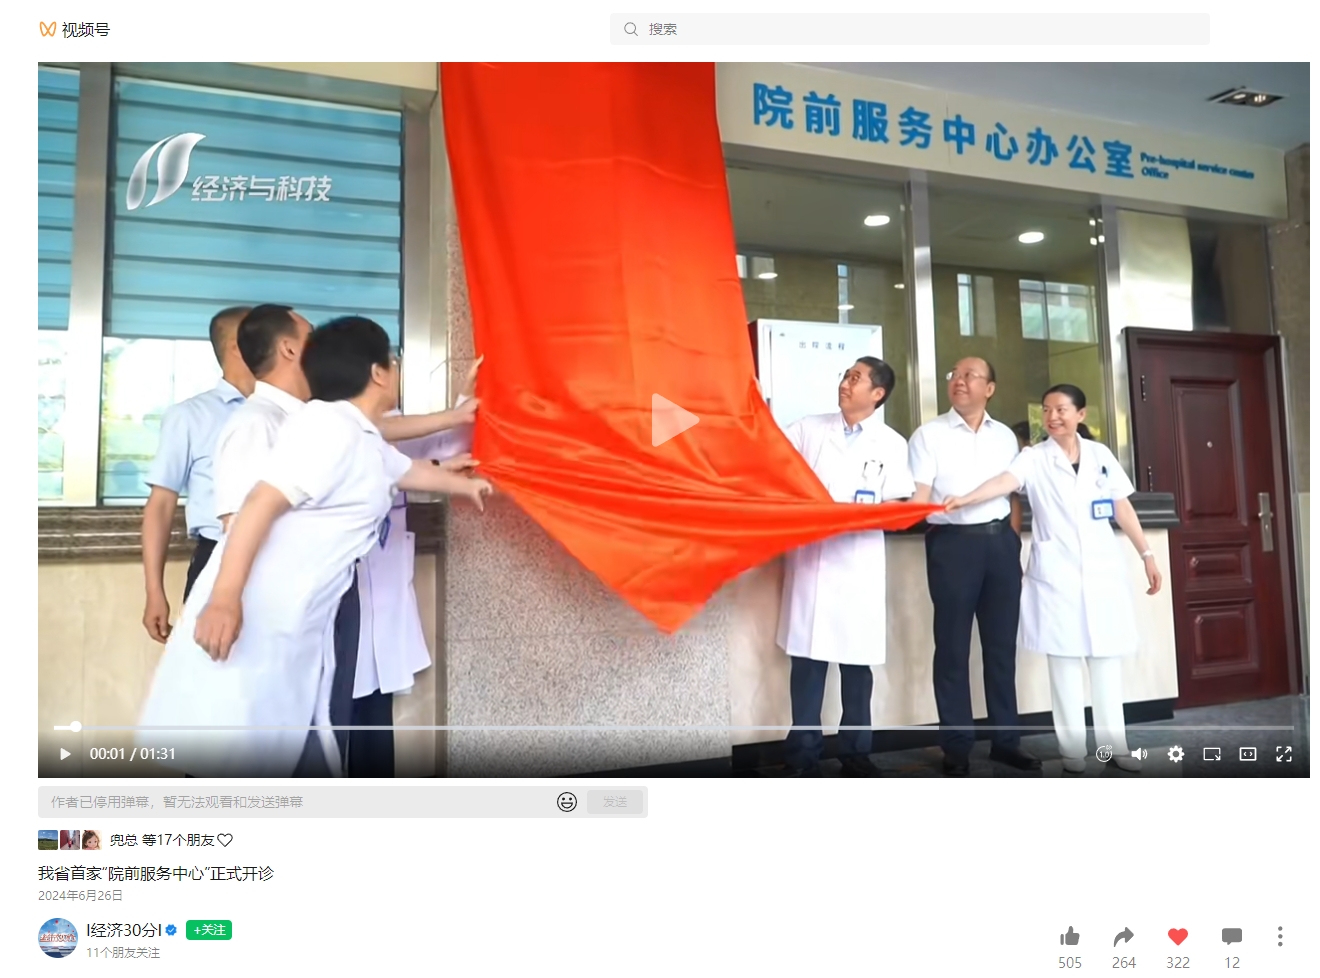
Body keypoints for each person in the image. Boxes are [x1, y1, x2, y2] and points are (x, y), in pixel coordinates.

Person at [138, 316, 493, 777]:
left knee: (299, 745)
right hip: (259, 612)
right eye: (394, 360)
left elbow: (409, 470)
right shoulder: (324, 426)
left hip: (303, 618)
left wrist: (475, 484)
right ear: (378, 373)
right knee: (246, 752)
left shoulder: (357, 434)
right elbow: (257, 505)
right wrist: (224, 598)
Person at [944, 384, 1162, 774]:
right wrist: (965, 498)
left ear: (1081, 414)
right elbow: (1003, 482)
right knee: (1063, 666)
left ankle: (1115, 747)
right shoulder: (1034, 458)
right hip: (1057, 576)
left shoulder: (1100, 455)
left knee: (1106, 664)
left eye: (1061, 409)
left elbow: (1122, 506)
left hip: (1101, 573)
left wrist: (1146, 554)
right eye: (1046, 410)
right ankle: (1073, 752)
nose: (1052, 417)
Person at [776, 357, 915, 777]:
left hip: (858, 564)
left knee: (857, 667)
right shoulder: (809, 429)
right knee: (808, 665)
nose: (845, 383)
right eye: (845, 376)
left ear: (878, 394)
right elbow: (770, 460)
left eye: (856, 378)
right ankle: (802, 755)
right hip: (813, 561)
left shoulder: (891, 443)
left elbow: (899, 501)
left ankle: (856, 754)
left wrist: (858, 517)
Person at [349, 356, 483, 777]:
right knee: (337, 715)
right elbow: (395, 468)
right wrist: (449, 436)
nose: (400, 374)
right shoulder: (337, 428)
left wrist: (466, 399)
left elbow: (439, 452)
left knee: (374, 714)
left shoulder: (395, 424)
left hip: (384, 586)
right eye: (395, 365)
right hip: (345, 594)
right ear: (377, 373)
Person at [909, 357, 1039, 776]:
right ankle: (957, 746)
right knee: (952, 648)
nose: (960, 381)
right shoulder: (929, 435)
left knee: (1001, 648)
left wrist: (1011, 544)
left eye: (970, 376)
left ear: (990, 388)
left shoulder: (1005, 437)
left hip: (1000, 545)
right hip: (952, 546)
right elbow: (920, 497)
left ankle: (1006, 741)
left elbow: (1011, 494)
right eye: (955, 375)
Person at [141, 307, 255, 643]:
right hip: (216, 559)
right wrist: (154, 590)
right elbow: (161, 505)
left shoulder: (292, 412)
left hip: (282, 559)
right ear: (236, 346)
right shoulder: (190, 416)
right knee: (212, 664)